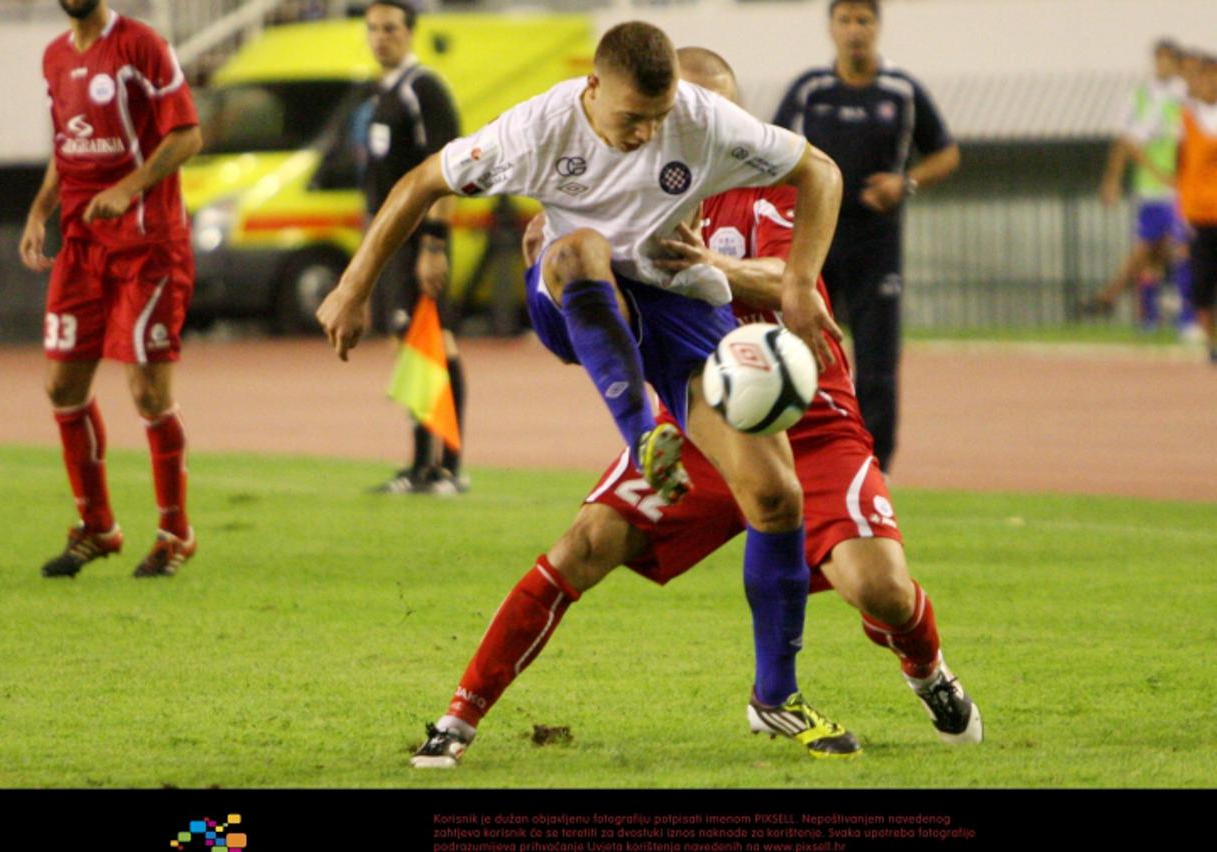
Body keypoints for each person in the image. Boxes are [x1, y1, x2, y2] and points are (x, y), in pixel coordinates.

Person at [408, 47, 981, 770]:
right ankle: (458, 717)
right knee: (585, 544)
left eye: (716, 111)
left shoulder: (767, 187)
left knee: (881, 590)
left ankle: (926, 671)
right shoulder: (627, 190)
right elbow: (589, 317)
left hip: (811, 423)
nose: (696, 127)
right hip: (703, 421)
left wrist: (719, 268)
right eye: (680, 112)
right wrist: (545, 269)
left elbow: (783, 280)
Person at [320, 21, 860, 758]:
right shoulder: (538, 127)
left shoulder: (699, 119)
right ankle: (642, 429)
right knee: (579, 247)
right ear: (592, 87)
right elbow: (422, 182)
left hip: (677, 306)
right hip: (576, 292)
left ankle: (775, 697)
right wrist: (354, 288)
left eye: (657, 117)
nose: (646, 132)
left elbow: (821, 171)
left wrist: (799, 281)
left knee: (775, 497)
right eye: (630, 116)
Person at [19, 0, 201, 578]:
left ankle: (175, 532)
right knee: (61, 385)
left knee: (148, 392)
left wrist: (130, 187)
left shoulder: (140, 45)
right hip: (80, 243)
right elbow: (66, 145)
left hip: (147, 246)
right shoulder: (53, 57)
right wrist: (39, 210)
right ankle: (98, 526)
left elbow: (188, 134)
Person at [773, 0, 960, 475]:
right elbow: (772, 150)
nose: (855, 30)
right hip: (814, 243)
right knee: (805, 352)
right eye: (845, 20)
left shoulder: (901, 90)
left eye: (864, 20)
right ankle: (807, 459)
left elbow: (946, 153)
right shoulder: (810, 89)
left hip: (877, 245)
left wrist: (907, 183)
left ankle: (875, 468)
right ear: (831, 28)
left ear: (877, 28)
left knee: (877, 363)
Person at [351, 0, 467, 495]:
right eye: (373, 28)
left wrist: (434, 244)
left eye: (391, 28)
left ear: (411, 31)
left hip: (419, 238)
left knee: (437, 344)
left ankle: (449, 468)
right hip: (393, 239)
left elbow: (447, 170)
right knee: (411, 345)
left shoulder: (425, 89)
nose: (381, 37)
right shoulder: (383, 92)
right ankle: (421, 465)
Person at [1086, 39, 1191, 334]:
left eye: (1168, 59)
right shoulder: (1142, 96)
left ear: (1178, 64)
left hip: (1181, 187)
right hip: (1150, 188)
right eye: (1158, 59)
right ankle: (1148, 318)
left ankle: (1184, 318)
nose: (1162, 65)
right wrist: (1112, 181)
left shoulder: (1188, 95)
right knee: (1151, 256)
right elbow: (1125, 141)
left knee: (1180, 249)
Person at [1177, 54, 1217, 363]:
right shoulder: (1186, 119)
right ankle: (1212, 340)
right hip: (1201, 214)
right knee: (1202, 281)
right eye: (1205, 77)